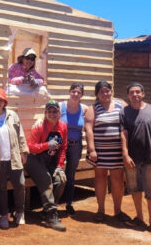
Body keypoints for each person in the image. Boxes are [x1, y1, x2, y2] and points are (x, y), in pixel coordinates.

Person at [120, 82, 151, 235]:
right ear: (128, 95)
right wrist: (125, 155)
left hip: (150, 158)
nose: (135, 95)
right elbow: (124, 134)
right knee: (134, 189)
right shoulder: (124, 112)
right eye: (132, 92)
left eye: (138, 92)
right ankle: (139, 217)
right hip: (132, 160)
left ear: (143, 94)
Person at [85, 80, 131, 223]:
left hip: (117, 151)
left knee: (118, 180)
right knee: (100, 178)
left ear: (111, 91)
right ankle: (100, 210)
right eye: (101, 91)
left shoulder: (121, 104)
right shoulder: (93, 108)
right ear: (97, 94)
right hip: (99, 151)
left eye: (107, 90)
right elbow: (88, 129)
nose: (105, 93)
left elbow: (128, 124)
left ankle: (118, 210)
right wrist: (92, 149)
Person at [0, 88, 29, 229]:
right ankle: (4, 214)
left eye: (1, 100)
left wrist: (24, 151)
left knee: (20, 184)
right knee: (1, 188)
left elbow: (20, 134)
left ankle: (19, 211)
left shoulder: (12, 115)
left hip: (14, 157)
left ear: (4, 102)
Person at [25, 100, 67, 232]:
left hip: (50, 159)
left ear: (59, 113)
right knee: (46, 179)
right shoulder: (39, 126)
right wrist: (46, 145)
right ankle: (51, 215)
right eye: (49, 111)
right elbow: (30, 147)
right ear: (45, 113)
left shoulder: (63, 126)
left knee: (61, 180)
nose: (52, 114)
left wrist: (60, 165)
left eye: (55, 111)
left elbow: (63, 148)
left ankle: (46, 210)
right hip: (33, 159)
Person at [60, 83, 87, 215]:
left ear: (82, 95)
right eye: (73, 91)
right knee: (56, 171)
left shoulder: (84, 109)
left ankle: (69, 203)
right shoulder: (61, 106)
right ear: (69, 92)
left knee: (70, 174)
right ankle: (51, 203)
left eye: (79, 92)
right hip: (60, 145)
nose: (76, 94)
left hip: (76, 145)